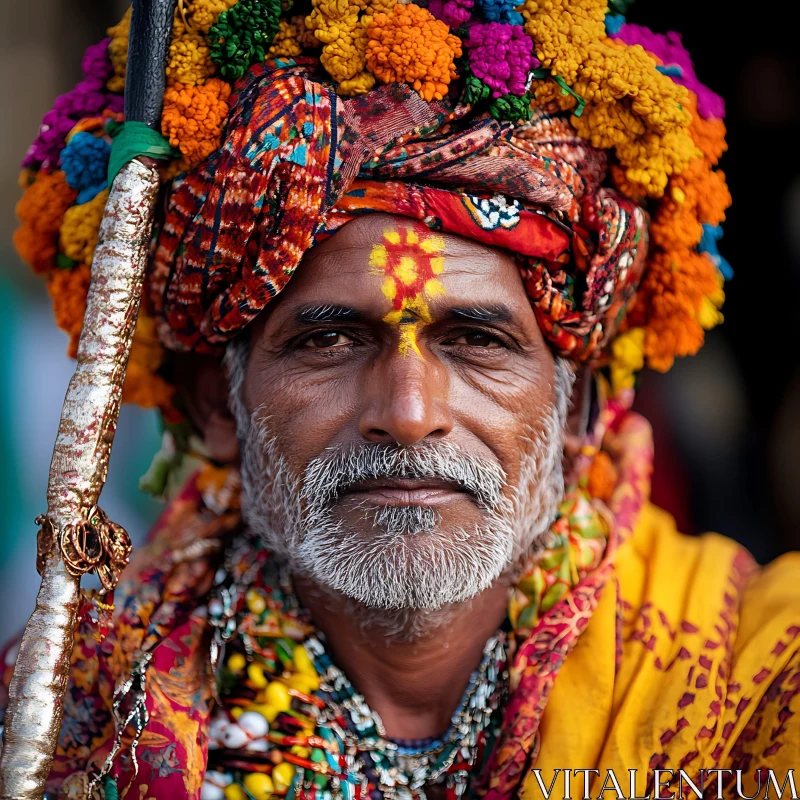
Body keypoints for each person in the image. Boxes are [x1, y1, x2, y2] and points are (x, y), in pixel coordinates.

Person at [3, 1, 799, 799]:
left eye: (477, 342)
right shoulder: (77, 723)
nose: (410, 413)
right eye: (331, 341)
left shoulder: (760, 678)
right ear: (218, 406)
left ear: (579, 410)